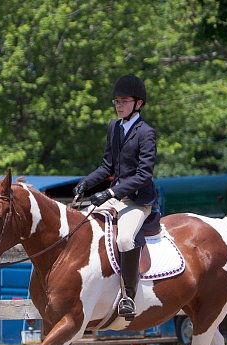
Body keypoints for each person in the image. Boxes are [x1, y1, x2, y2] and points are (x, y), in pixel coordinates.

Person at [73, 74, 157, 320]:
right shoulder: (114, 127)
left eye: (124, 101)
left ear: (138, 103)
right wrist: (85, 183)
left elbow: (144, 175)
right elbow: (107, 166)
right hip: (116, 197)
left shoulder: (146, 133)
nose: (119, 105)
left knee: (125, 240)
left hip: (138, 200)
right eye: (116, 101)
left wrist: (110, 192)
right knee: (82, 223)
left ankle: (128, 296)